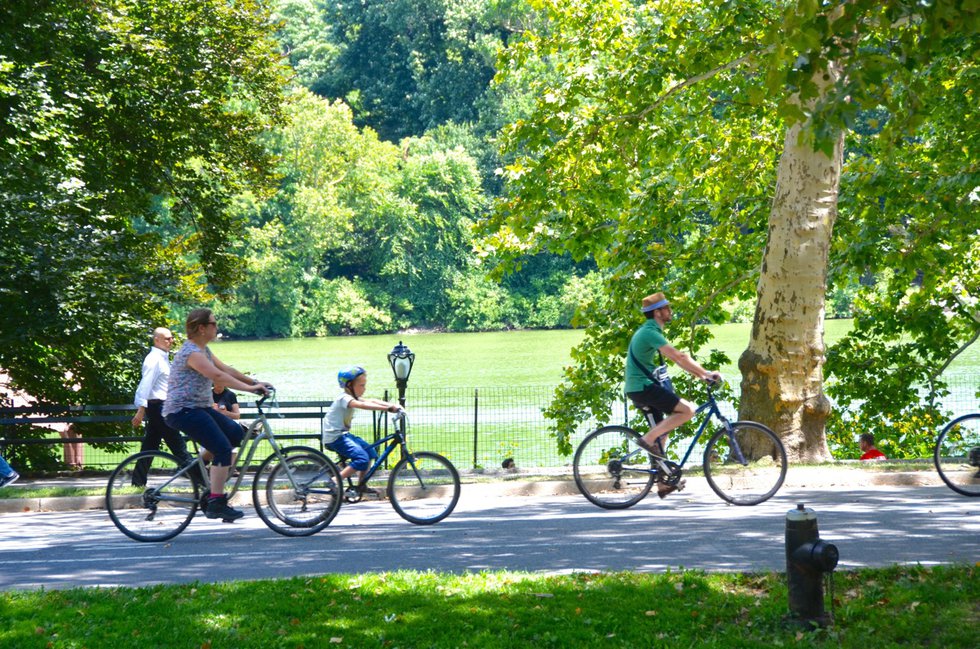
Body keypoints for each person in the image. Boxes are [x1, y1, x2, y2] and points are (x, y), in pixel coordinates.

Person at [163, 308, 272, 521]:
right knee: (222, 449)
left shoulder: (204, 351)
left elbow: (226, 370)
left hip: (199, 407)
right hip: (183, 410)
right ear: (201, 328)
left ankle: (197, 471)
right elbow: (216, 375)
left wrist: (255, 382)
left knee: (235, 434)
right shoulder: (191, 353)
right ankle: (216, 501)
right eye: (213, 323)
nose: (217, 327)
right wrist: (250, 390)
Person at [625, 292, 722, 498]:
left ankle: (663, 483)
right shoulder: (650, 332)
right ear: (657, 312)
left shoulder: (650, 331)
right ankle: (646, 439)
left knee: (662, 435)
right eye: (667, 308)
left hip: (640, 386)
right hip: (642, 387)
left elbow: (678, 360)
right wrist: (705, 373)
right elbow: (678, 357)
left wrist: (700, 375)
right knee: (687, 411)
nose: (670, 311)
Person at [323, 366, 402, 494]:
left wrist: (393, 406)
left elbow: (371, 400)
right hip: (335, 437)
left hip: (344, 435)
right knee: (362, 459)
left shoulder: (351, 396)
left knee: (370, 452)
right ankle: (334, 481)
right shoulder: (344, 398)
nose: (364, 389)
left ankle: (361, 486)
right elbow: (362, 405)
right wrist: (388, 409)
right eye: (361, 385)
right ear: (349, 385)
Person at [131, 327, 193, 485]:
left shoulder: (163, 358)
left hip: (162, 408)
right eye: (167, 338)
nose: (171, 341)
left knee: (149, 447)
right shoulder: (154, 359)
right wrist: (140, 410)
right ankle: (202, 482)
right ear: (156, 340)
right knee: (179, 446)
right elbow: (145, 385)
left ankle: (137, 482)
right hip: (160, 408)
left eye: (171, 338)